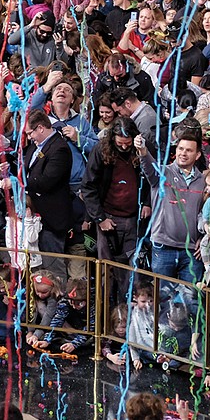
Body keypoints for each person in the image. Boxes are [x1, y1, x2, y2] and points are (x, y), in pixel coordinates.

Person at [82, 117, 150, 301]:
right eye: (121, 144)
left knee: (132, 272)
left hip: (134, 218)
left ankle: (128, 310)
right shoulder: (100, 150)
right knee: (106, 271)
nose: (125, 147)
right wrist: (100, 218)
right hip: (108, 218)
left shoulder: (141, 148)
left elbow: (153, 177)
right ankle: (106, 313)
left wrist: (147, 202)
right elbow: (88, 186)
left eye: (128, 144)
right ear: (113, 139)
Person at [135, 132, 205, 282]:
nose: (183, 153)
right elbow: (147, 163)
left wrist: (204, 238)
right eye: (180, 149)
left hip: (192, 251)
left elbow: (208, 213)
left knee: (190, 299)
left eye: (189, 150)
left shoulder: (205, 181)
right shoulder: (161, 173)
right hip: (163, 247)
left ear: (198, 155)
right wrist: (142, 150)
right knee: (163, 297)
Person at [21, 109, 73, 279]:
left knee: (53, 270)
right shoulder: (33, 147)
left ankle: (61, 303)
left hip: (51, 220)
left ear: (41, 128)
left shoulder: (60, 149)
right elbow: (26, 169)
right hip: (32, 216)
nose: (29, 137)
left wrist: (19, 184)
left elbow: (46, 181)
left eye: (30, 133)